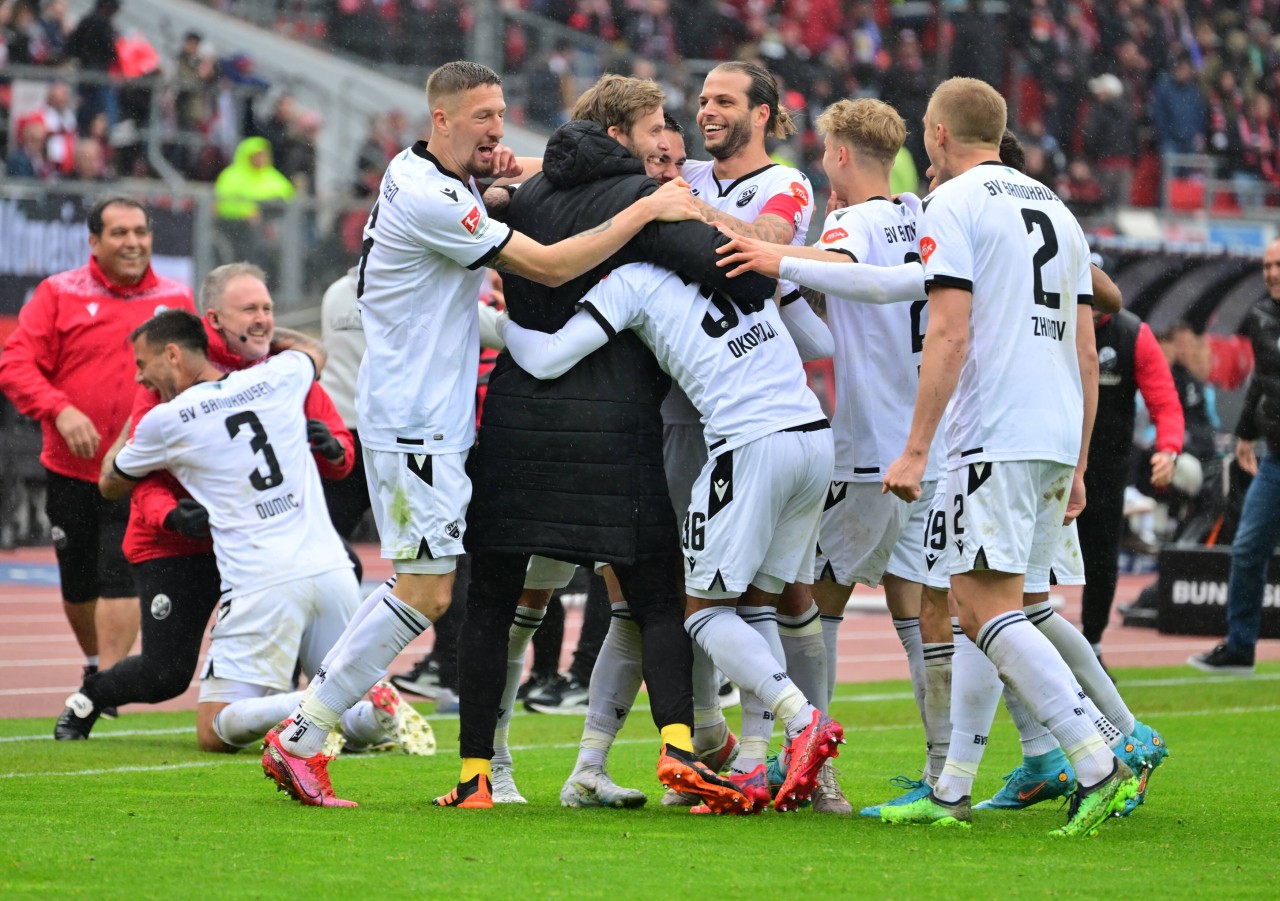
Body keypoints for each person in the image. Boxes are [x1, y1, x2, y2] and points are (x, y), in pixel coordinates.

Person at [255, 61, 706, 808]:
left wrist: (517, 173)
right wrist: (644, 208)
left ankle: (357, 736)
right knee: (429, 594)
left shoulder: (422, 172)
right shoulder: (436, 198)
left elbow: (516, 179)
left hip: (423, 416)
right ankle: (304, 730)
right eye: (482, 118)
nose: (497, 131)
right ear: (441, 118)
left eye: (501, 114)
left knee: (433, 586)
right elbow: (553, 265)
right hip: (416, 423)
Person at [452, 71, 777, 812]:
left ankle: (474, 773)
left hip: (515, 422)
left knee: (492, 600)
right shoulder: (645, 200)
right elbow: (741, 281)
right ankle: (678, 750)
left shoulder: (524, 197)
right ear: (619, 133)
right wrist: (736, 237)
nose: (667, 139)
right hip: (610, 426)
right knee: (657, 596)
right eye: (656, 125)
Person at [874, 77, 1144, 837]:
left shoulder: (953, 204)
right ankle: (953, 784)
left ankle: (1099, 758)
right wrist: (1081, 460)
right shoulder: (1056, 207)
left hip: (994, 429)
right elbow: (1088, 347)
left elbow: (950, 333)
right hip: (1055, 430)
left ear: (934, 134)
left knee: (985, 607)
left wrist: (917, 446)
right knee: (984, 605)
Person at [500, 258, 842, 814]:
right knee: (752, 605)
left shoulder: (631, 276)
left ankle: (801, 722)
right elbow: (817, 338)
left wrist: (494, 324)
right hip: (810, 434)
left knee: (694, 611)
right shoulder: (730, 256)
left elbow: (547, 356)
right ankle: (750, 762)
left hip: (733, 442)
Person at [99, 311, 420, 774]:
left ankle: (307, 702)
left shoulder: (165, 420)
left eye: (143, 362)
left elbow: (110, 483)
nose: (139, 375)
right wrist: (255, 341)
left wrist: (130, 428)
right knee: (350, 707)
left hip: (262, 582)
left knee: (213, 731)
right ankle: (371, 713)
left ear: (173, 354)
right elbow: (315, 350)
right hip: (332, 571)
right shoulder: (278, 375)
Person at [52, 263, 361, 744]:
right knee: (165, 674)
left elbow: (337, 442)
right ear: (212, 321)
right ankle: (91, 696)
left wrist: (335, 450)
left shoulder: (278, 370)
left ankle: (305, 716)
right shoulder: (167, 382)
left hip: (259, 546)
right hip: (182, 544)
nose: (262, 321)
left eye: (268, 309)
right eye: (249, 311)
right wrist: (171, 516)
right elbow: (135, 477)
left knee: (342, 569)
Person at [0, 196, 195, 696]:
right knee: (78, 581)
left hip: (139, 468)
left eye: (141, 232)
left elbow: (194, 373)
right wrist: (59, 409)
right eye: (119, 233)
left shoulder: (176, 299)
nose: (133, 242)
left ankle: (104, 688)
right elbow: (15, 365)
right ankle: (95, 667)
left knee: (119, 573)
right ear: (94, 241)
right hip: (70, 469)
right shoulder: (58, 293)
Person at [1190, 238, 1280, 674]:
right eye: (1266, 265)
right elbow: (1262, 383)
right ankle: (1240, 649)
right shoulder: (1261, 316)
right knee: (1247, 548)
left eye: (1279, 265)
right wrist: (1245, 435)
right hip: (1275, 458)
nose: (1272, 273)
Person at [1080, 298, 1184, 661]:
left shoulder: (1132, 333)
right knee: (1034, 561)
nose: (1089, 305)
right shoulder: (1050, 319)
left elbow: (1166, 404)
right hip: (1050, 465)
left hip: (1106, 467)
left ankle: (1092, 647)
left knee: (1102, 557)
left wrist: (1167, 450)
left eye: (1097, 298)